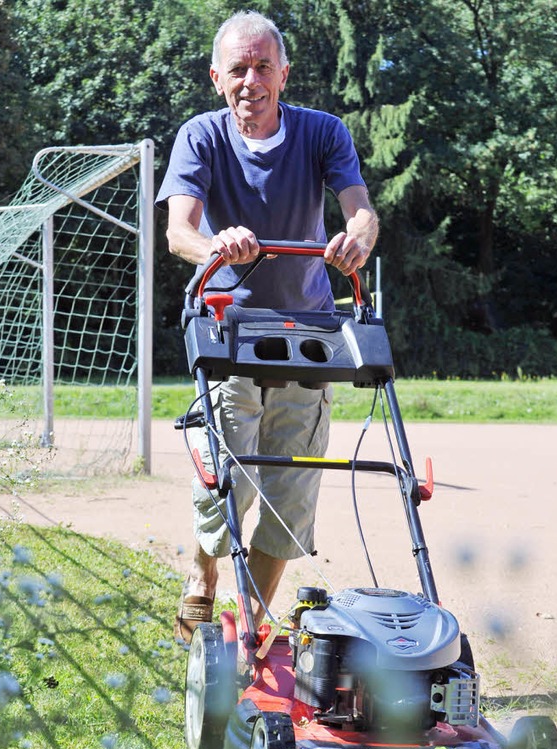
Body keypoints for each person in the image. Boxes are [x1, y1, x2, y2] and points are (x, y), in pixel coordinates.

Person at [156, 11, 378, 643]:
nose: (251, 81)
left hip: (308, 331)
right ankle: (203, 578)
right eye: (237, 70)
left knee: (291, 492)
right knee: (224, 476)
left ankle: (251, 629)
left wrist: (355, 241)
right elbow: (179, 232)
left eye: (262, 67)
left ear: (283, 72)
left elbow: (359, 211)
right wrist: (216, 247)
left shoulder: (322, 133)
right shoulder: (201, 136)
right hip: (229, 328)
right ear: (216, 78)